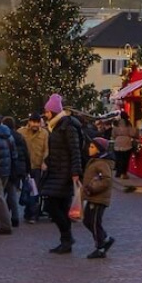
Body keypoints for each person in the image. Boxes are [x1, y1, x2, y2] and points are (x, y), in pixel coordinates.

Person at [41, 94, 84, 254]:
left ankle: (67, 238)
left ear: (52, 111)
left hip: (64, 173)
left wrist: (75, 171)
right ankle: (66, 240)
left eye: (47, 111)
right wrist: (47, 160)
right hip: (57, 171)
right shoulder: (57, 126)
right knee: (59, 206)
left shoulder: (67, 126)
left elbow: (75, 150)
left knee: (51, 206)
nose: (45, 114)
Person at [80, 137, 116, 258]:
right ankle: (105, 239)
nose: (89, 149)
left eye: (92, 147)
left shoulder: (102, 163)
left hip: (98, 198)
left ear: (98, 149)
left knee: (94, 222)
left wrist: (92, 187)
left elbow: (106, 180)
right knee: (87, 221)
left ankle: (100, 247)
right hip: (92, 197)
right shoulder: (95, 161)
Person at [21, 114, 49, 223]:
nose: (35, 125)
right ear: (29, 122)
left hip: (37, 166)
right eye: (33, 122)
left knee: (35, 190)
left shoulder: (44, 133)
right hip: (25, 166)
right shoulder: (21, 132)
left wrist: (44, 162)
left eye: (37, 122)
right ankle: (28, 212)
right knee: (26, 190)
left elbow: (46, 149)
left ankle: (33, 215)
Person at [4, 116, 28, 228]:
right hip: (18, 168)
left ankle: (9, 216)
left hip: (7, 167)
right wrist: (27, 168)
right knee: (11, 191)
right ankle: (14, 216)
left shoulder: (4, 136)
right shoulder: (19, 136)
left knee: (2, 193)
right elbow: (26, 153)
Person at [110, 113, 138, 179]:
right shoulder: (128, 124)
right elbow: (132, 133)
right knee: (125, 159)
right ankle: (123, 173)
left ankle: (118, 173)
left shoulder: (116, 123)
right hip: (126, 143)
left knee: (118, 159)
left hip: (117, 143)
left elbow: (113, 134)